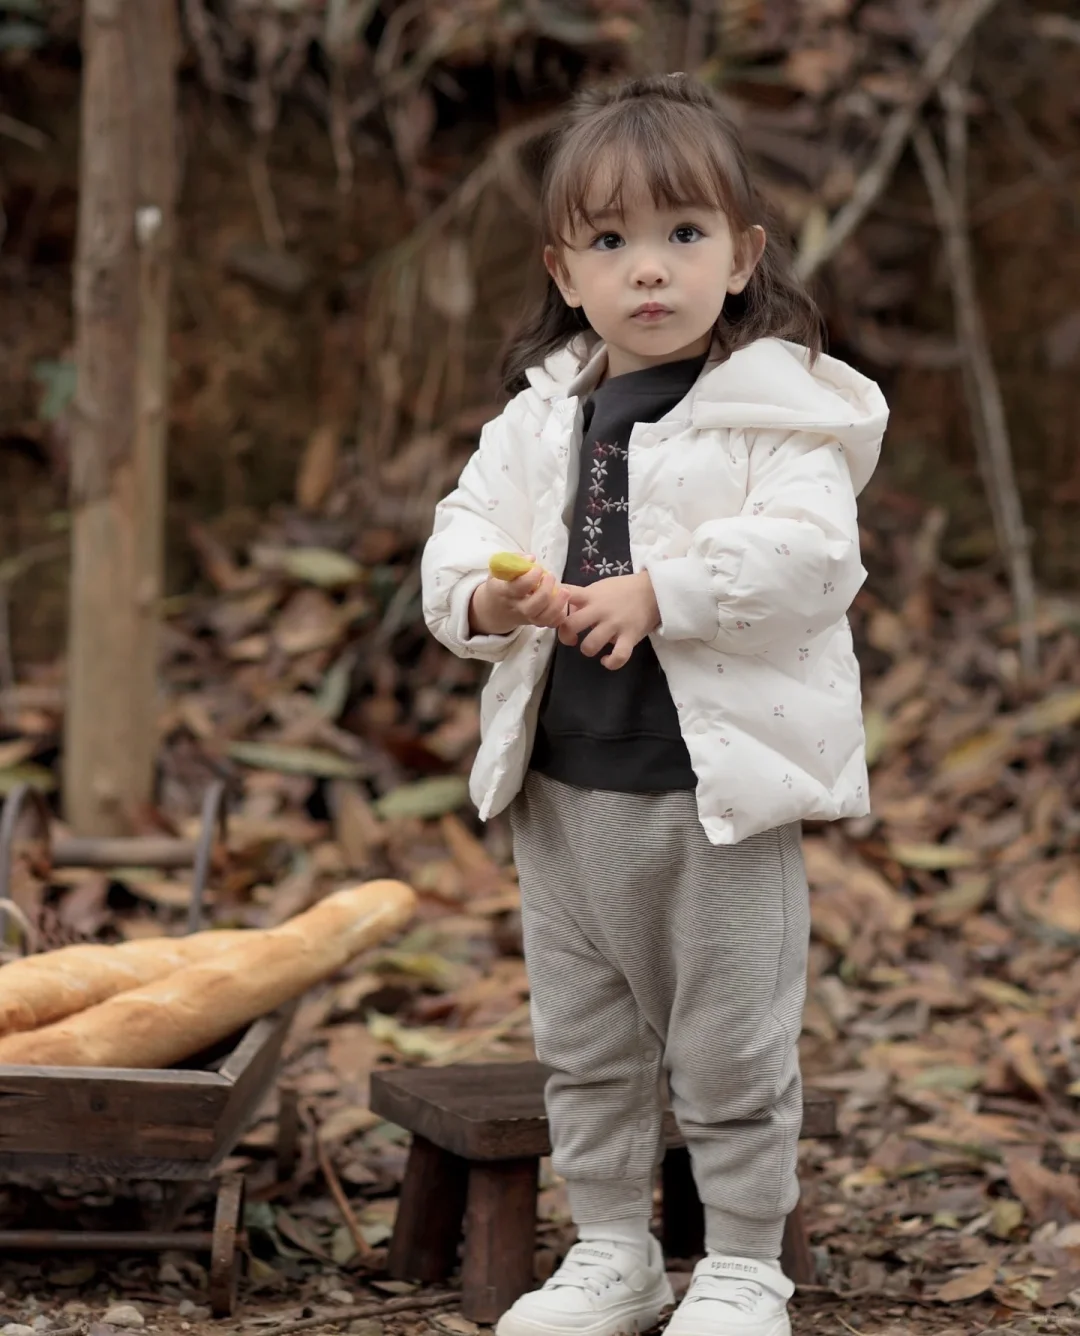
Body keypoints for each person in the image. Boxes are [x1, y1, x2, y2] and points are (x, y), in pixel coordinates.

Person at [421, 72, 887, 1336]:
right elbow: (458, 535)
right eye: (611, 241)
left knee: (732, 1042)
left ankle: (742, 1262)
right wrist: (488, 596)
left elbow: (813, 557)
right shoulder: (537, 423)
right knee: (586, 1041)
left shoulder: (779, 418)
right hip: (563, 791)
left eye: (684, 234)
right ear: (564, 273)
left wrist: (663, 590)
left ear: (742, 257)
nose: (649, 269)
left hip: (711, 794)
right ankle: (613, 1249)